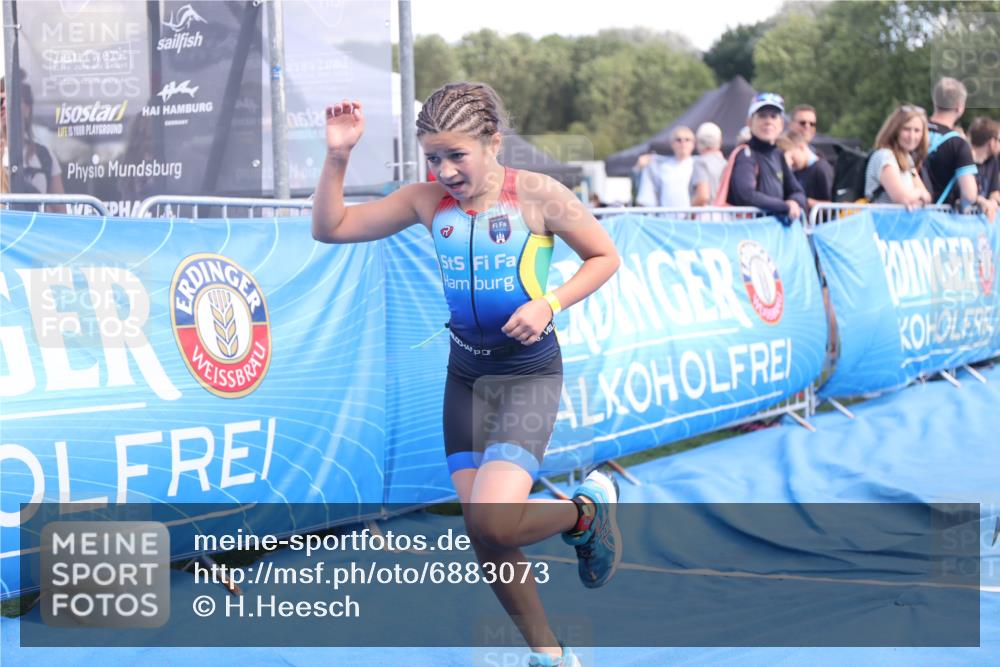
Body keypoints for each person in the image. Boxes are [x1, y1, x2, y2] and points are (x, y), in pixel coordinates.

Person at [312, 82, 621, 667]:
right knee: (484, 534)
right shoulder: (426, 201)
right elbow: (331, 227)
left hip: (527, 375)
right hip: (466, 380)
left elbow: (605, 256)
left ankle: (585, 513)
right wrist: (337, 157)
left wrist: (549, 303)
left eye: (458, 154)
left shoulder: (538, 194)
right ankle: (550, 656)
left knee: (494, 522)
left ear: (493, 143)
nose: (446, 170)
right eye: (434, 157)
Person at [726, 92, 806, 221]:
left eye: (773, 116)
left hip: (773, 232)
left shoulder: (778, 154)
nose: (768, 121)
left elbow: (798, 192)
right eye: (762, 116)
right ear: (750, 122)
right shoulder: (745, 154)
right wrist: (784, 207)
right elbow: (746, 195)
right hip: (749, 232)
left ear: (781, 124)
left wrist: (793, 202)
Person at [925, 77, 996, 221]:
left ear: (935, 101)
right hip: (937, 222)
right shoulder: (958, 143)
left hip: (903, 215)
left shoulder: (914, 131)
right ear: (959, 107)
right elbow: (969, 194)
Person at [0, 73, 66, 209]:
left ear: (27, 109)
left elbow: (61, 213)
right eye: (1, 100)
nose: (4, 105)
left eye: (12, 99)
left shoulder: (44, 156)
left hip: (36, 228)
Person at [863, 105, 933, 208]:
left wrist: (916, 197)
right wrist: (918, 194)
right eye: (906, 129)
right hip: (881, 222)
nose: (912, 136)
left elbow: (927, 197)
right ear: (895, 130)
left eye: (917, 130)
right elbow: (902, 198)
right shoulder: (885, 156)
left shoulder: (907, 159)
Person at [635, 125, 695, 207]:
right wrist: (639, 167)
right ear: (672, 144)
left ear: (693, 143)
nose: (683, 143)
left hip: (689, 217)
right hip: (665, 217)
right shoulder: (661, 166)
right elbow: (644, 187)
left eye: (687, 139)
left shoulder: (698, 165)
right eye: (678, 140)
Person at [776, 128, 833, 209]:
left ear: (801, 146)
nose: (791, 163)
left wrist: (806, 202)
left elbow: (834, 204)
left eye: (792, 157)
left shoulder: (822, 169)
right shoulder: (796, 171)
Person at [690, 122, 726, 206]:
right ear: (720, 141)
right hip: (726, 214)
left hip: (706, 214)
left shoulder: (700, 162)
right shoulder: (726, 163)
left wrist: (688, 214)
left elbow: (703, 196)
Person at [969, 117, 999, 205]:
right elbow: (960, 192)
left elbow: (994, 190)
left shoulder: (993, 160)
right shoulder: (964, 159)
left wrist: (993, 201)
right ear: (991, 142)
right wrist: (981, 201)